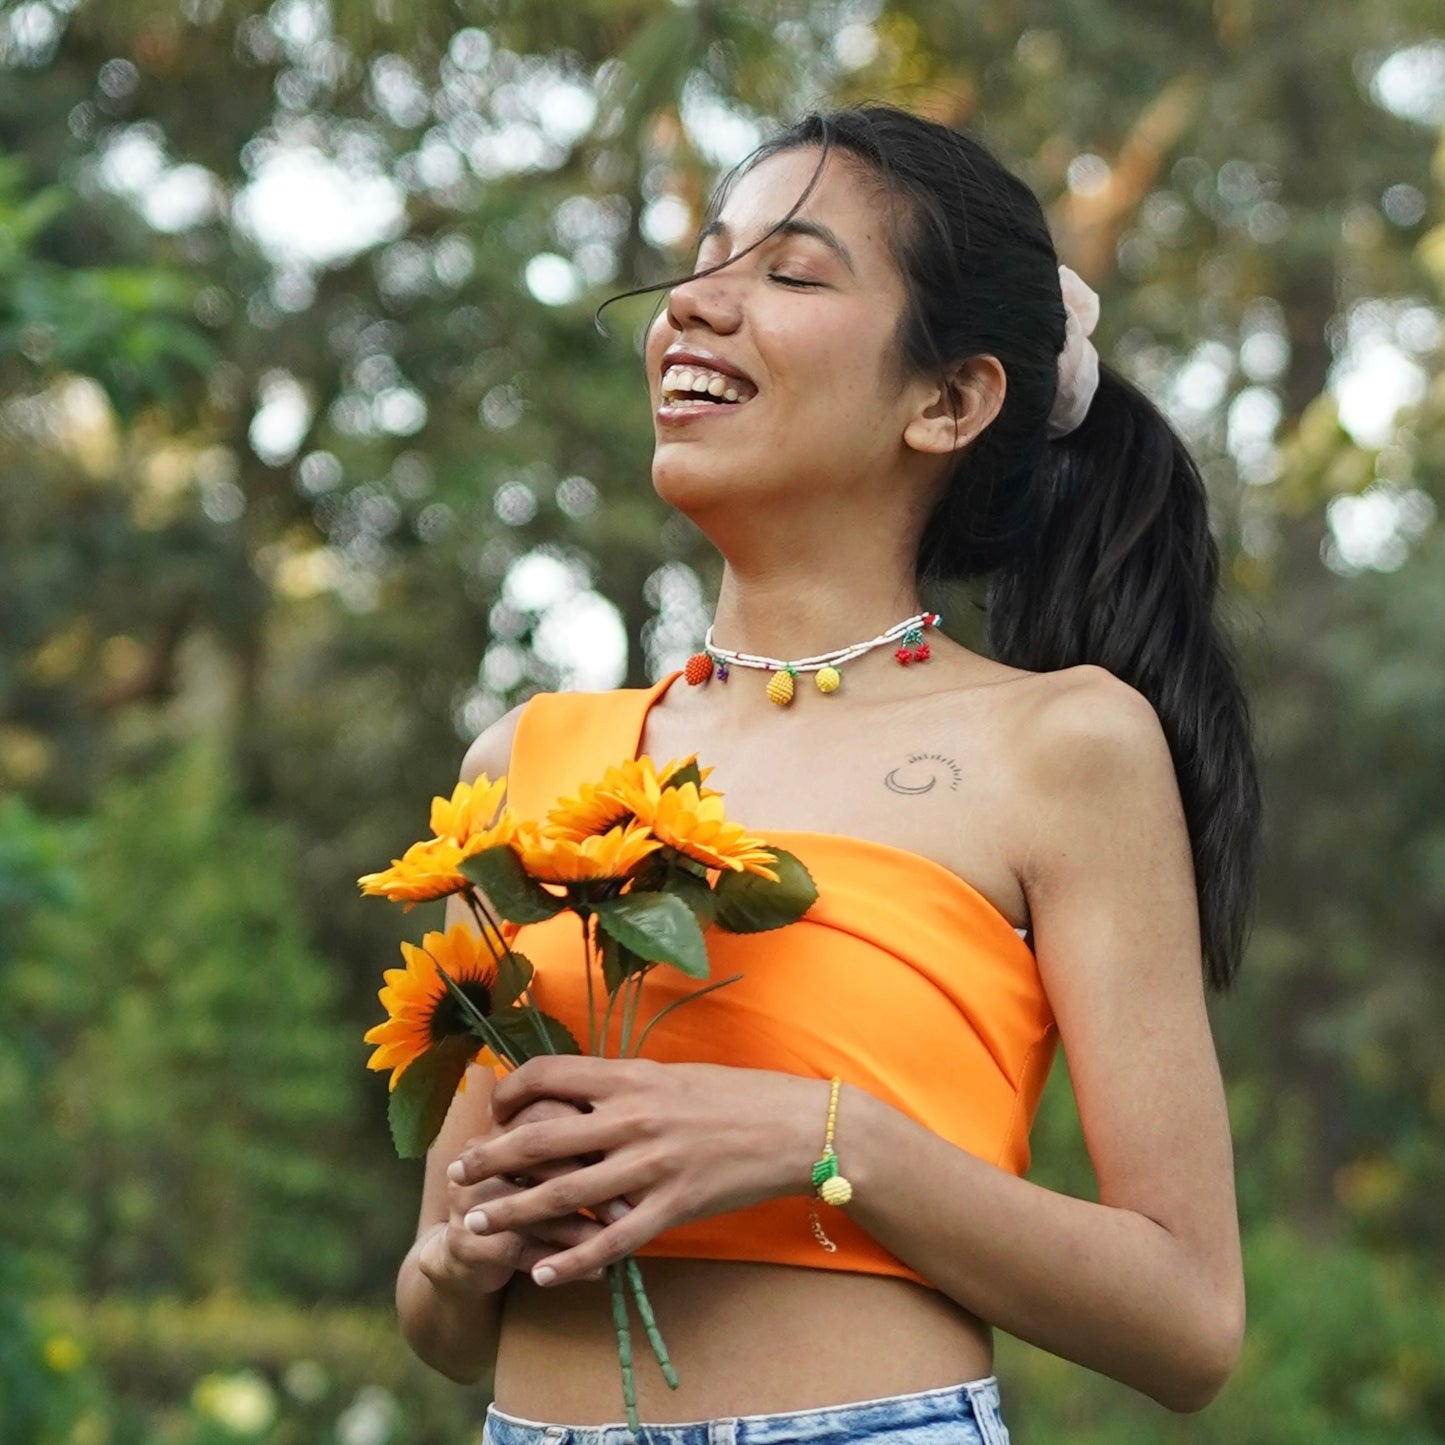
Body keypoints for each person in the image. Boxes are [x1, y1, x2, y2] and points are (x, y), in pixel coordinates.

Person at [393, 103, 1261, 1445]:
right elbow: (441, 1317)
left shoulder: (1063, 745)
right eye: (702, 258)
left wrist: (828, 1137)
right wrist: (457, 1260)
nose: (693, 305)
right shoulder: (524, 763)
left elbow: (1187, 1320)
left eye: (788, 273)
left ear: (949, 398)